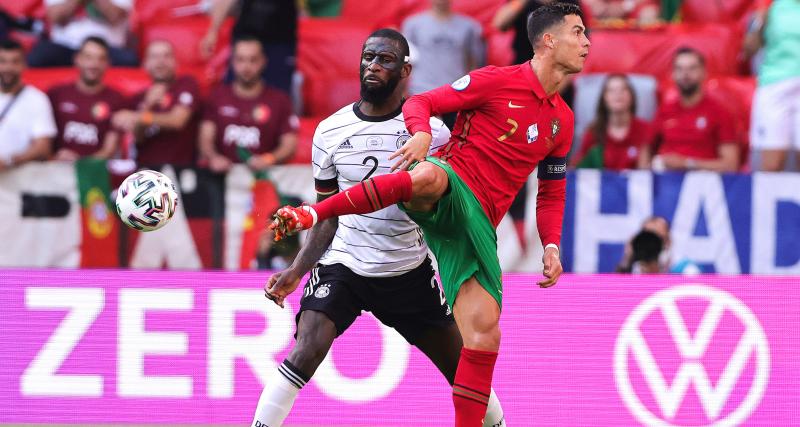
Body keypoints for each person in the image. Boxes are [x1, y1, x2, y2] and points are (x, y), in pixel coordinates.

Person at [269, 4, 589, 425]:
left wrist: (550, 244)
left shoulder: (562, 121)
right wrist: (421, 133)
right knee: (429, 177)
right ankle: (311, 213)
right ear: (549, 40)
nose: (587, 43)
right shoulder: (494, 81)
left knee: (484, 335)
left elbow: (551, 191)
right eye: (579, 32)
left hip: (474, 230)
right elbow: (421, 100)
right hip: (453, 186)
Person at [251, 28, 506, 427]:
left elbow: (456, 198)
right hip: (345, 266)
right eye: (368, 57)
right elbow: (328, 213)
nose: (373, 65)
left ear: (405, 70)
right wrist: (297, 271)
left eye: (385, 59)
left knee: (465, 372)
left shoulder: (433, 134)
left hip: (408, 271)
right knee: (306, 348)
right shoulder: (329, 132)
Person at [199, 37, 298, 173]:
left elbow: (289, 144)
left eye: (253, 60)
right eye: (241, 59)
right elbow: (205, 138)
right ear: (232, 62)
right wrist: (213, 158)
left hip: (264, 181)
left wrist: (269, 159)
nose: (246, 66)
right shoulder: (217, 96)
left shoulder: (280, 100)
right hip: (221, 180)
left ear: (263, 61)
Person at [638, 47, 740, 173]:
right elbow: (646, 146)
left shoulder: (719, 113)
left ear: (704, 72)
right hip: (666, 183)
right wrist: (645, 172)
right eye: (679, 69)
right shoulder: (665, 110)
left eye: (692, 68)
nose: (685, 74)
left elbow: (730, 165)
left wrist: (687, 163)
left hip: (703, 184)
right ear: (672, 74)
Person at [112, 41, 201, 166]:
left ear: (176, 62)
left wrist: (138, 117)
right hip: (145, 171)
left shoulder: (186, 84)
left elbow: (177, 121)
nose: (161, 62)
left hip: (179, 170)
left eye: (166, 56)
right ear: (145, 64)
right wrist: (148, 105)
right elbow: (138, 137)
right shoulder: (139, 99)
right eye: (154, 57)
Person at [402, 0, 484, 128]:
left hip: (456, 94)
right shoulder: (413, 24)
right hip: (421, 92)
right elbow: (405, 61)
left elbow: (474, 63)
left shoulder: (469, 26)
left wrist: (471, 95)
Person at [48, 36, 124, 161]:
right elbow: (43, 139)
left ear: (108, 63)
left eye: (100, 59)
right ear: (77, 59)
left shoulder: (116, 99)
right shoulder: (56, 94)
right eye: (88, 57)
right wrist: (53, 157)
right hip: (56, 166)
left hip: (95, 170)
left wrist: (81, 163)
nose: (94, 64)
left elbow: (109, 150)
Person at [746, 0, 800, 171]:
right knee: (772, 165)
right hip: (775, 86)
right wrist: (758, 23)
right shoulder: (769, 6)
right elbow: (748, 50)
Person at [200, 0, 297, 94]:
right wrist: (213, 31)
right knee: (234, 92)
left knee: (278, 95)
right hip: (246, 36)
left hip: (279, 41)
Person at [570, 73, 650, 170]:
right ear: (604, 98)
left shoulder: (646, 130)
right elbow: (576, 168)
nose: (618, 94)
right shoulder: (593, 133)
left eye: (623, 89)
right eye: (611, 90)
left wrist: (647, 167)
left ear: (632, 96)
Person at [0, 39, 57, 172]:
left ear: (24, 64)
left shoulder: (37, 100)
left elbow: (43, 147)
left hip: (17, 181)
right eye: (3, 61)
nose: (8, 68)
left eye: (15, 61)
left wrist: (8, 161)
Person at [28, 0, 138, 67]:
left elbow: (114, 16)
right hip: (67, 47)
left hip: (107, 49)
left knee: (129, 59)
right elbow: (56, 17)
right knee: (38, 56)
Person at [616, 216, 701, 274]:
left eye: (658, 240)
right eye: (648, 240)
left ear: (669, 241)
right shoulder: (635, 270)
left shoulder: (687, 270)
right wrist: (627, 260)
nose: (652, 247)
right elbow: (614, 296)